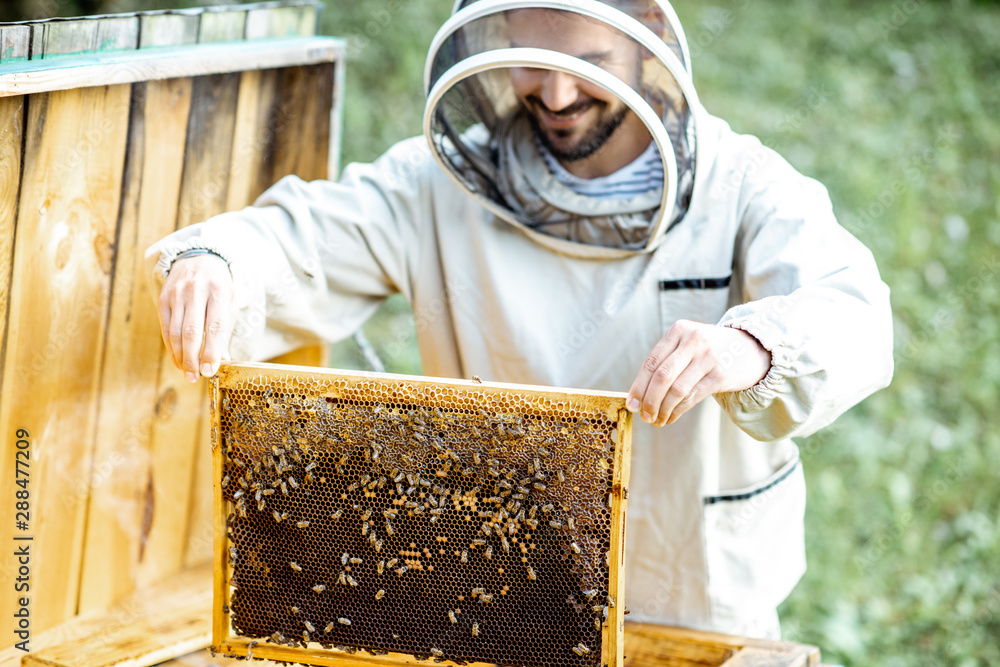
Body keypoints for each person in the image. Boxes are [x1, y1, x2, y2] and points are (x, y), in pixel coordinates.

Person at [147, 0, 893, 639]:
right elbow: (298, 239)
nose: (558, 92)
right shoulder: (434, 186)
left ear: (647, 43)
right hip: (499, 599)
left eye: (590, 60)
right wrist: (217, 259)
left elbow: (852, 310)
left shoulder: (744, 186)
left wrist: (752, 345)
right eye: (531, 58)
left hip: (697, 602)